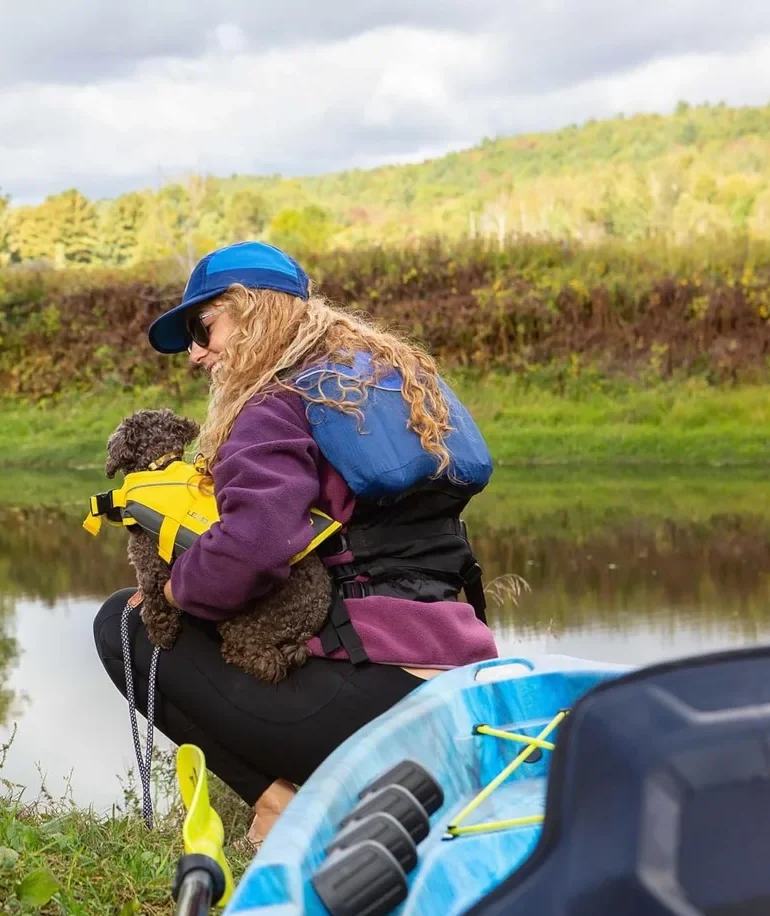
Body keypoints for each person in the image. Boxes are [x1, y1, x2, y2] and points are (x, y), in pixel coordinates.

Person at [92, 241, 498, 848]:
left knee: (122, 624)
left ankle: (282, 805)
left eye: (204, 329)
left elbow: (251, 549)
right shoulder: (386, 386)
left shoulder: (272, 405)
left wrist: (173, 588)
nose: (198, 354)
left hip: (373, 704)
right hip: (463, 683)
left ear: (251, 311)